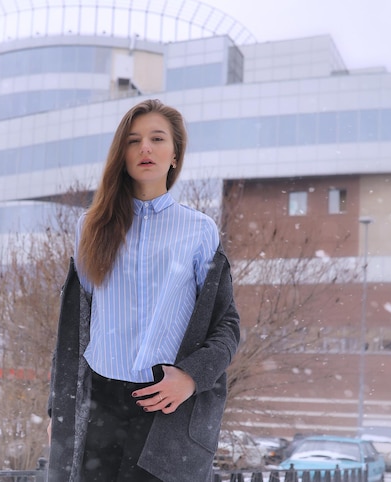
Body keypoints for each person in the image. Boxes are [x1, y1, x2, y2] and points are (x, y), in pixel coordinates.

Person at [47, 99, 240, 482]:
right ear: (122, 153)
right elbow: (73, 330)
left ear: (175, 153)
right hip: (97, 405)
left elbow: (227, 326)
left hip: (166, 407)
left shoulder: (199, 232)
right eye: (133, 141)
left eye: (157, 138)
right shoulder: (91, 227)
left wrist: (191, 377)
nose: (145, 149)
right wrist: (60, 409)